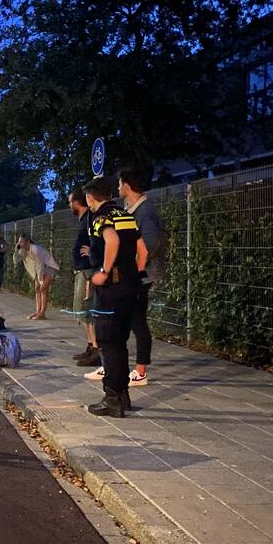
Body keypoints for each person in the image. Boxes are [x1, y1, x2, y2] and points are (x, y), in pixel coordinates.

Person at [82, 176, 148, 417]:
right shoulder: (127, 216)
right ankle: (123, 396)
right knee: (120, 341)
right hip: (131, 287)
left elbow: (112, 240)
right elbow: (143, 250)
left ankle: (112, 398)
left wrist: (104, 272)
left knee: (107, 342)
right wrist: (136, 272)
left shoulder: (101, 219)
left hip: (111, 289)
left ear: (90, 198)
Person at [119, 168, 165, 387]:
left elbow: (151, 243)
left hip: (141, 277)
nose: (118, 189)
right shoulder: (133, 209)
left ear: (127, 186)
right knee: (127, 320)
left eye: (120, 185)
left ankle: (140, 371)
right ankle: (119, 364)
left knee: (137, 322)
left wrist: (136, 268)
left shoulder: (144, 211)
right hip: (136, 275)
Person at [69, 189, 100, 366]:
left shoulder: (90, 218)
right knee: (82, 310)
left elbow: (99, 239)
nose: (69, 205)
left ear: (77, 202)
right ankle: (91, 345)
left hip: (88, 270)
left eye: (70, 202)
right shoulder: (84, 220)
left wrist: (92, 252)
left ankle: (96, 349)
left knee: (87, 309)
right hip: (82, 270)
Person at [14, 234, 59, 320]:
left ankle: (42, 313)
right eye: (18, 241)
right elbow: (16, 261)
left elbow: (40, 266)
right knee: (37, 289)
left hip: (49, 267)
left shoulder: (35, 249)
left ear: (27, 241)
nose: (19, 243)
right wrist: (16, 250)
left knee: (43, 289)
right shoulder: (22, 251)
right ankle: (38, 311)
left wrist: (41, 280)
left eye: (21, 241)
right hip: (41, 270)